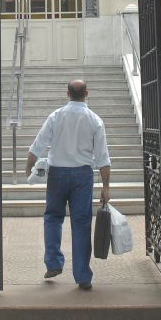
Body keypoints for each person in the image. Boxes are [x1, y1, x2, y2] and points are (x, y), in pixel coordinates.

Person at [25, 79, 111, 291]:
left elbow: (37, 145)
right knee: (81, 223)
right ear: (86, 94)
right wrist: (106, 187)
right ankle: (83, 276)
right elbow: (102, 157)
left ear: (67, 94)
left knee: (53, 217)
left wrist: (29, 169)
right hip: (83, 175)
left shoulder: (56, 116)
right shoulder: (95, 120)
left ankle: (53, 262)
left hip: (57, 174)